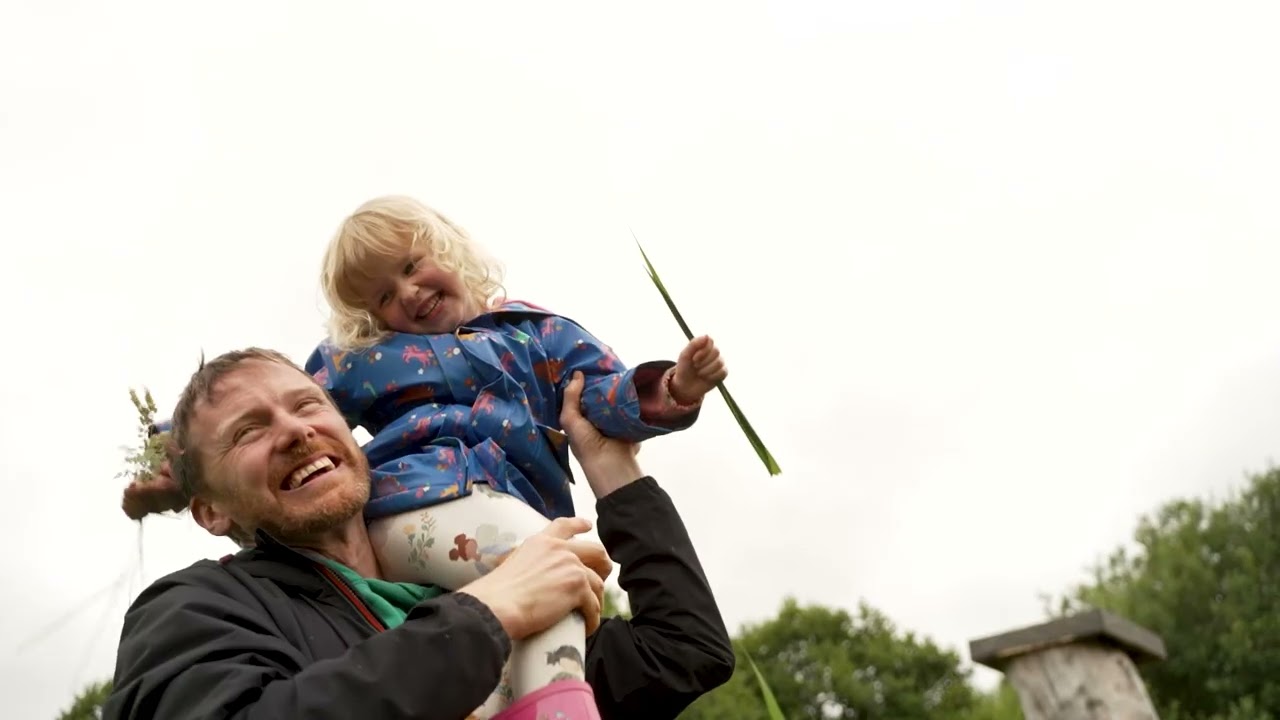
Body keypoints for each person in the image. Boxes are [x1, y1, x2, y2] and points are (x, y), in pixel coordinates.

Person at [107, 348, 734, 720]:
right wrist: (488, 615)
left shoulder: (447, 581)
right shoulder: (195, 608)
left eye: (306, 407)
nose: (295, 432)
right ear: (211, 512)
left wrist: (612, 471)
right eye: (247, 432)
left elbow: (684, 652)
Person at [298, 195, 729, 715]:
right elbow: (282, 408)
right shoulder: (363, 361)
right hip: (413, 505)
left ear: (448, 247)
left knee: (527, 619)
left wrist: (676, 386)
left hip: (510, 517)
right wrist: (180, 447)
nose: (409, 292)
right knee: (557, 575)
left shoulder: (536, 334)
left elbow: (599, 395)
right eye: (385, 296)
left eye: (412, 266)